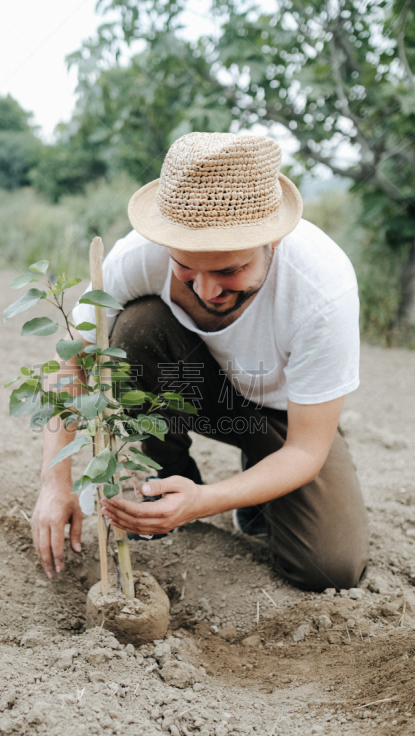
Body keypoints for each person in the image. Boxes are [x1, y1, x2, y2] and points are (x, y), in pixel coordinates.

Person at [31, 131, 369, 592]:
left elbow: (307, 450)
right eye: (187, 267)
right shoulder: (140, 255)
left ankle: (249, 493)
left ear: (274, 242)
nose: (207, 291)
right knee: (137, 327)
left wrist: (205, 502)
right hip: (196, 388)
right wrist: (56, 484)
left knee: (332, 565)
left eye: (230, 271)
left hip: (281, 416)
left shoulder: (322, 289)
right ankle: (169, 482)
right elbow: (70, 360)